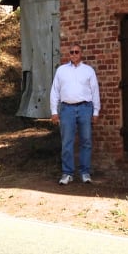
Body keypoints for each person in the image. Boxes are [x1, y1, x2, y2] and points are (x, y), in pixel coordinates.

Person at [50, 42, 101, 185]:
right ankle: (67, 173)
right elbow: (55, 91)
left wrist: (96, 111)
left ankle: (85, 172)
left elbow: (95, 91)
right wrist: (54, 111)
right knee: (67, 141)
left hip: (85, 108)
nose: (74, 54)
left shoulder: (88, 70)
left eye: (76, 52)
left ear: (81, 54)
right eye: (71, 52)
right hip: (67, 109)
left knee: (86, 141)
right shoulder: (61, 70)